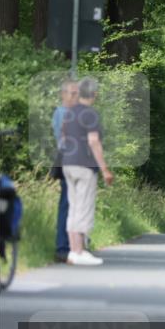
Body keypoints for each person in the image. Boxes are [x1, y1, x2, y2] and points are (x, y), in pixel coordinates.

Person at [61, 77, 113, 266]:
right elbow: (93, 141)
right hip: (84, 165)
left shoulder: (68, 113)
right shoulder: (90, 114)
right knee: (84, 208)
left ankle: (73, 251)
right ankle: (79, 251)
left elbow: (64, 136)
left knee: (73, 207)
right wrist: (104, 168)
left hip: (68, 164)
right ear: (94, 94)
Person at [52, 78, 78, 262]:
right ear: (63, 94)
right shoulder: (62, 113)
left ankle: (71, 245)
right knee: (67, 204)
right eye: (71, 93)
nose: (75, 97)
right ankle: (63, 247)